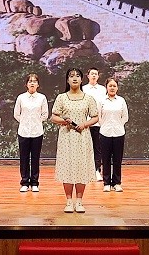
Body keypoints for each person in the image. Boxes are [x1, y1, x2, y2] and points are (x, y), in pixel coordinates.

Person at [51, 68, 99, 213]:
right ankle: (68, 201)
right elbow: (54, 117)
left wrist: (84, 124)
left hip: (82, 136)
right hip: (66, 137)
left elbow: (95, 117)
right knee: (67, 167)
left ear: (82, 79)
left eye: (77, 76)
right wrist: (64, 121)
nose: (75, 78)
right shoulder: (61, 97)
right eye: (71, 76)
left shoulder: (88, 98)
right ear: (67, 80)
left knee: (81, 167)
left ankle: (79, 201)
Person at [13, 73, 49, 193]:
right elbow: (16, 114)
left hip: (37, 132)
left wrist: (36, 122)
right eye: (30, 81)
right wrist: (24, 122)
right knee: (24, 158)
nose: (32, 83)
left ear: (38, 84)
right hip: (23, 131)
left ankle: (34, 183)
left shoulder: (42, 98)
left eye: (34, 81)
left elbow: (45, 114)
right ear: (26, 84)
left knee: (35, 158)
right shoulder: (21, 98)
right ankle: (24, 182)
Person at [98, 77, 128, 193]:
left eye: (114, 86)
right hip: (105, 132)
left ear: (117, 88)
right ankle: (106, 183)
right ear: (106, 87)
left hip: (119, 132)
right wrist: (104, 125)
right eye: (110, 86)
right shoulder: (102, 101)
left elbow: (125, 117)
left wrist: (118, 125)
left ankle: (116, 183)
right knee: (105, 159)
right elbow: (99, 116)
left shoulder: (121, 100)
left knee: (117, 159)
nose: (112, 88)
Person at [82, 67, 107, 182]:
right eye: (91, 74)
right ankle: (85, 171)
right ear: (87, 76)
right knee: (85, 147)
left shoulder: (102, 89)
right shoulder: (83, 89)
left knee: (97, 147)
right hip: (85, 122)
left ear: (98, 76)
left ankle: (97, 170)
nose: (93, 76)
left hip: (98, 123)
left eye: (95, 74)